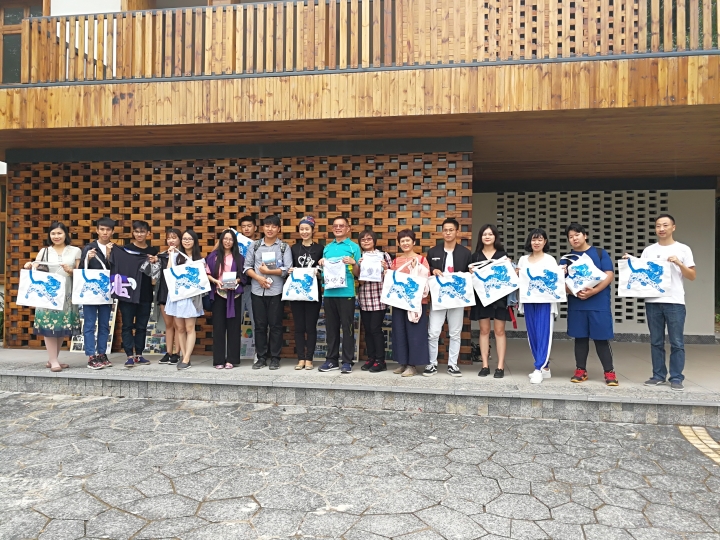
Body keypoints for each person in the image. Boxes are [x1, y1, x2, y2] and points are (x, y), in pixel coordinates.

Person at [638, 214, 695, 392]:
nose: (661, 229)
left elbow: (692, 275)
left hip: (675, 302)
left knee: (677, 342)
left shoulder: (683, 249)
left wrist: (679, 263)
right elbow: (642, 273)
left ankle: (676, 377)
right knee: (656, 341)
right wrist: (629, 262)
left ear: (673, 227)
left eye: (665, 225)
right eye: (658, 226)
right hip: (653, 301)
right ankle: (658, 375)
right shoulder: (648, 251)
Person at [559, 223, 617, 386]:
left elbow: (609, 275)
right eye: (570, 237)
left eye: (577, 235)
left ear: (585, 235)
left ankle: (609, 372)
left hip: (599, 303)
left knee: (601, 338)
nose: (574, 238)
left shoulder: (599, 253)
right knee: (580, 338)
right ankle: (580, 370)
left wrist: (594, 291)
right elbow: (560, 282)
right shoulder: (566, 259)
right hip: (577, 304)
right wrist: (574, 292)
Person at [24, 222, 81, 372]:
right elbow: (36, 269)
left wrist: (70, 271)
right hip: (48, 294)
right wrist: (29, 265)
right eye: (53, 233)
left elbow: (80, 274)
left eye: (59, 233)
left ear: (65, 234)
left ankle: (53, 359)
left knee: (61, 326)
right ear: (49, 235)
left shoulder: (75, 251)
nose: (56, 236)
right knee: (49, 326)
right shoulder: (44, 251)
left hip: (67, 294)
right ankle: (54, 360)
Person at [244, 215, 292, 370]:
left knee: (276, 325)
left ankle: (275, 358)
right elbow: (247, 267)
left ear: (279, 229)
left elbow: (287, 269)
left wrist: (268, 272)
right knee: (259, 326)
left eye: (273, 226)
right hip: (257, 291)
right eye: (267, 226)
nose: (270, 229)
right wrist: (259, 277)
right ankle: (261, 357)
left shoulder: (284, 247)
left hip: (276, 291)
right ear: (262, 228)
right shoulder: (255, 246)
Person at [426, 218, 472, 377]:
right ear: (442, 232)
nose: (448, 233)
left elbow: (470, 273)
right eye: (445, 230)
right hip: (438, 297)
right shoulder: (433, 252)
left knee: (455, 332)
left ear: (457, 232)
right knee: (433, 332)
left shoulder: (465, 253)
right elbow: (426, 269)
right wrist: (432, 270)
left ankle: (453, 365)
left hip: (457, 298)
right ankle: (432, 364)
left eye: (451, 230)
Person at [318, 216, 362, 374]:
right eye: (335, 226)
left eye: (341, 226)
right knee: (331, 327)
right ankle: (331, 360)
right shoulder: (327, 248)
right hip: (329, 292)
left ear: (348, 228)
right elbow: (324, 272)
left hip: (347, 293)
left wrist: (353, 263)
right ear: (332, 229)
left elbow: (359, 274)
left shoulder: (354, 247)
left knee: (347, 327)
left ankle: (347, 361)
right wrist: (321, 264)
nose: (338, 228)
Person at [517, 229, 558, 385]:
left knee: (543, 334)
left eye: (540, 239)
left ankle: (538, 367)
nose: (536, 242)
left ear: (545, 242)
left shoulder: (550, 260)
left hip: (545, 302)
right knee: (532, 334)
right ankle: (544, 367)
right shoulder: (523, 260)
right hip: (528, 301)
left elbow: (555, 280)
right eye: (534, 239)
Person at [116, 220, 159, 368]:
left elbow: (156, 275)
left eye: (142, 231)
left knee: (142, 326)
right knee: (127, 325)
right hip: (127, 292)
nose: (139, 234)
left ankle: (139, 354)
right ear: (133, 233)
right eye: (136, 231)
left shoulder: (153, 251)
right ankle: (129, 355)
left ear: (148, 233)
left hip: (145, 293)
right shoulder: (125, 250)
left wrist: (155, 262)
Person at [470, 224, 511, 379]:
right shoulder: (475, 257)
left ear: (495, 237)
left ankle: (500, 366)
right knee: (484, 330)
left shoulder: (502, 255)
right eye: (484, 234)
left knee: (500, 331)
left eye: (490, 234)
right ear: (480, 237)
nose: (487, 237)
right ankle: (485, 365)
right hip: (482, 297)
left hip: (500, 297)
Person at [390, 229, 431, 377]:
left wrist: (418, 268)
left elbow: (427, 278)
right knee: (399, 332)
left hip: (416, 303)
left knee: (415, 333)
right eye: (402, 241)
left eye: (408, 240)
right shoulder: (396, 261)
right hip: (399, 301)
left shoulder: (422, 259)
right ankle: (403, 362)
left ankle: (412, 365)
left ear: (414, 242)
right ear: (399, 243)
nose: (405, 243)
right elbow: (392, 280)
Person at [206, 229, 246, 369]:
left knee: (234, 328)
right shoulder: (213, 256)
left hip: (234, 296)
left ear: (234, 242)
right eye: (225, 238)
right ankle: (219, 360)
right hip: (218, 294)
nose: (228, 241)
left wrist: (237, 281)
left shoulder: (239, 258)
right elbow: (206, 273)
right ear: (221, 240)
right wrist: (215, 281)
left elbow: (243, 275)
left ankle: (232, 359)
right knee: (218, 327)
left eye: (231, 239)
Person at [166, 229, 205, 371]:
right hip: (177, 297)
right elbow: (169, 272)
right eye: (184, 239)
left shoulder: (200, 260)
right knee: (180, 328)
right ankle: (183, 356)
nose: (186, 241)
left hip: (192, 298)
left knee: (189, 328)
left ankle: (187, 358)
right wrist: (171, 255)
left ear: (194, 241)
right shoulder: (176, 256)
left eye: (189, 239)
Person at [80, 217, 115, 370]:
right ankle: (91, 355)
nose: (105, 232)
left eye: (108, 230)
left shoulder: (114, 248)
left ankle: (102, 353)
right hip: (90, 292)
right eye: (102, 229)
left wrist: (108, 256)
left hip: (106, 292)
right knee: (89, 324)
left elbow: (116, 271)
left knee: (104, 324)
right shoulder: (89, 248)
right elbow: (81, 270)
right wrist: (87, 259)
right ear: (97, 230)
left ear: (112, 231)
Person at [289, 216, 324, 370]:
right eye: (301, 229)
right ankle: (300, 359)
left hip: (313, 292)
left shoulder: (320, 249)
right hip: (296, 292)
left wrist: (318, 272)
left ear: (312, 230)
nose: (304, 232)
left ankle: (309, 358)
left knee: (310, 327)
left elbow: (324, 271)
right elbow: (288, 267)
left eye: (307, 229)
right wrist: (289, 271)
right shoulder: (293, 249)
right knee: (298, 327)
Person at [355, 229, 392, 373]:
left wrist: (385, 268)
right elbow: (359, 280)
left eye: (369, 239)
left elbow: (391, 275)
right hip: (365, 297)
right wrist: (359, 266)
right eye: (363, 240)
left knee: (375, 329)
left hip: (379, 297)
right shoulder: (360, 256)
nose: (366, 242)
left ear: (374, 241)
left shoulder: (383, 255)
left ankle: (380, 360)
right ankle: (371, 358)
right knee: (368, 330)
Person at [157, 228, 182, 366]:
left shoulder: (183, 256)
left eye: (174, 237)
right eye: (169, 238)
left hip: (179, 292)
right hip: (164, 291)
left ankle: (177, 353)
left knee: (178, 325)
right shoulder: (162, 256)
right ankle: (168, 352)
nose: (171, 240)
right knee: (168, 324)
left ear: (179, 239)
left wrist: (173, 255)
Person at [238, 215, 259, 347]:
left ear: (255, 228)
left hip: (255, 286)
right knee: (235, 322)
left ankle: (259, 353)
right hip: (237, 287)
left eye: (249, 226)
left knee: (257, 321)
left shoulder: (260, 245)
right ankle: (232, 353)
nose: (246, 229)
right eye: (243, 226)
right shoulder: (235, 245)